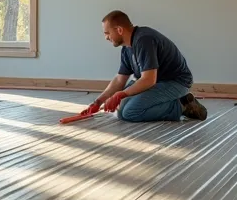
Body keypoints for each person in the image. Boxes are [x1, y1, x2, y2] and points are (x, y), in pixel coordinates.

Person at [79, 10, 207, 122]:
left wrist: (121, 94)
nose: (106, 37)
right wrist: (98, 102)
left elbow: (148, 79)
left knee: (130, 112)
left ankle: (182, 104)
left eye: (107, 33)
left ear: (119, 30)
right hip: (155, 83)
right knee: (121, 111)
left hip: (176, 82)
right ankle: (168, 103)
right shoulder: (127, 47)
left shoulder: (144, 40)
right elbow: (120, 79)